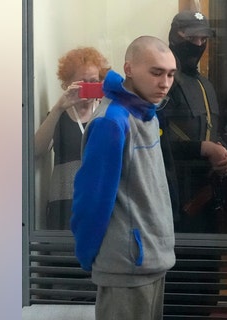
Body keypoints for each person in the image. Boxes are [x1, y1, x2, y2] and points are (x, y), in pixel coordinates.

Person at [71, 36, 177, 320]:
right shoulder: (112, 122)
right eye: (156, 72)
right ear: (129, 69)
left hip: (153, 262)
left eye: (170, 74)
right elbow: (91, 200)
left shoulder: (147, 115)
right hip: (125, 268)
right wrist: (88, 255)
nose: (165, 82)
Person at [158, 10, 227, 234]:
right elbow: (153, 142)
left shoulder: (205, 85)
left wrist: (225, 154)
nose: (198, 44)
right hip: (171, 197)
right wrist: (202, 148)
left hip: (209, 196)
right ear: (174, 37)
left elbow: (215, 132)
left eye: (203, 39)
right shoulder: (163, 83)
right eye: (190, 38)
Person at [34, 47, 110, 230]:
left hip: (100, 201)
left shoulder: (107, 115)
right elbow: (37, 150)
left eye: (94, 81)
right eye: (82, 82)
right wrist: (59, 107)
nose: (88, 86)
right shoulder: (58, 115)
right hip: (64, 205)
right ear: (67, 83)